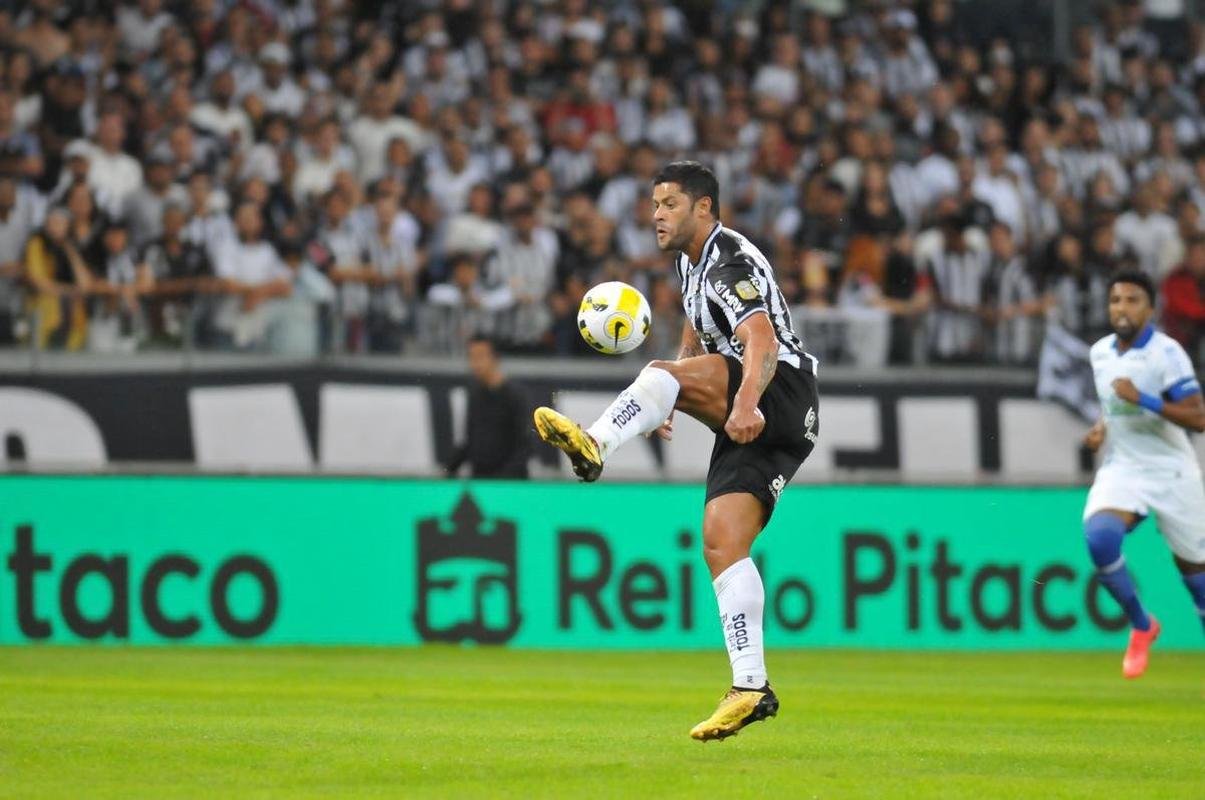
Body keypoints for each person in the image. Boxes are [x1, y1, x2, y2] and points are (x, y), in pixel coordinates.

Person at [532, 161, 819, 740]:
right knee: (721, 540)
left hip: (777, 390)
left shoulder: (728, 261)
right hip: (773, 411)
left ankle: (597, 443)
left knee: (659, 371)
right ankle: (751, 687)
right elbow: (697, 327)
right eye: (653, 204)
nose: (655, 215)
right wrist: (674, 396)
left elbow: (760, 339)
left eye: (668, 204)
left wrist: (738, 403)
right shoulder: (693, 262)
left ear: (704, 207)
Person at [1080, 270, 1205, 679]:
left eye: (1133, 300)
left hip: (1172, 471)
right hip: (1126, 467)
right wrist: (1102, 428)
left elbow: (1198, 418)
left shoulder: (1167, 354)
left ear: (1150, 309)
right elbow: (1111, 405)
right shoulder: (1100, 352)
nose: (1122, 308)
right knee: (1099, 537)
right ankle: (1141, 623)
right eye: (1116, 300)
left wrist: (1145, 399)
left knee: (1197, 580)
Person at [444, 336, 531, 479]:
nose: (475, 364)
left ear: (495, 358)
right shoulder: (474, 395)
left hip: (510, 485)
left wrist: (502, 479)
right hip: (480, 482)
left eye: (480, 357)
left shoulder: (515, 396)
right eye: (471, 357)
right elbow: (470, 441)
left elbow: (525, 446)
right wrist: (448, 471)